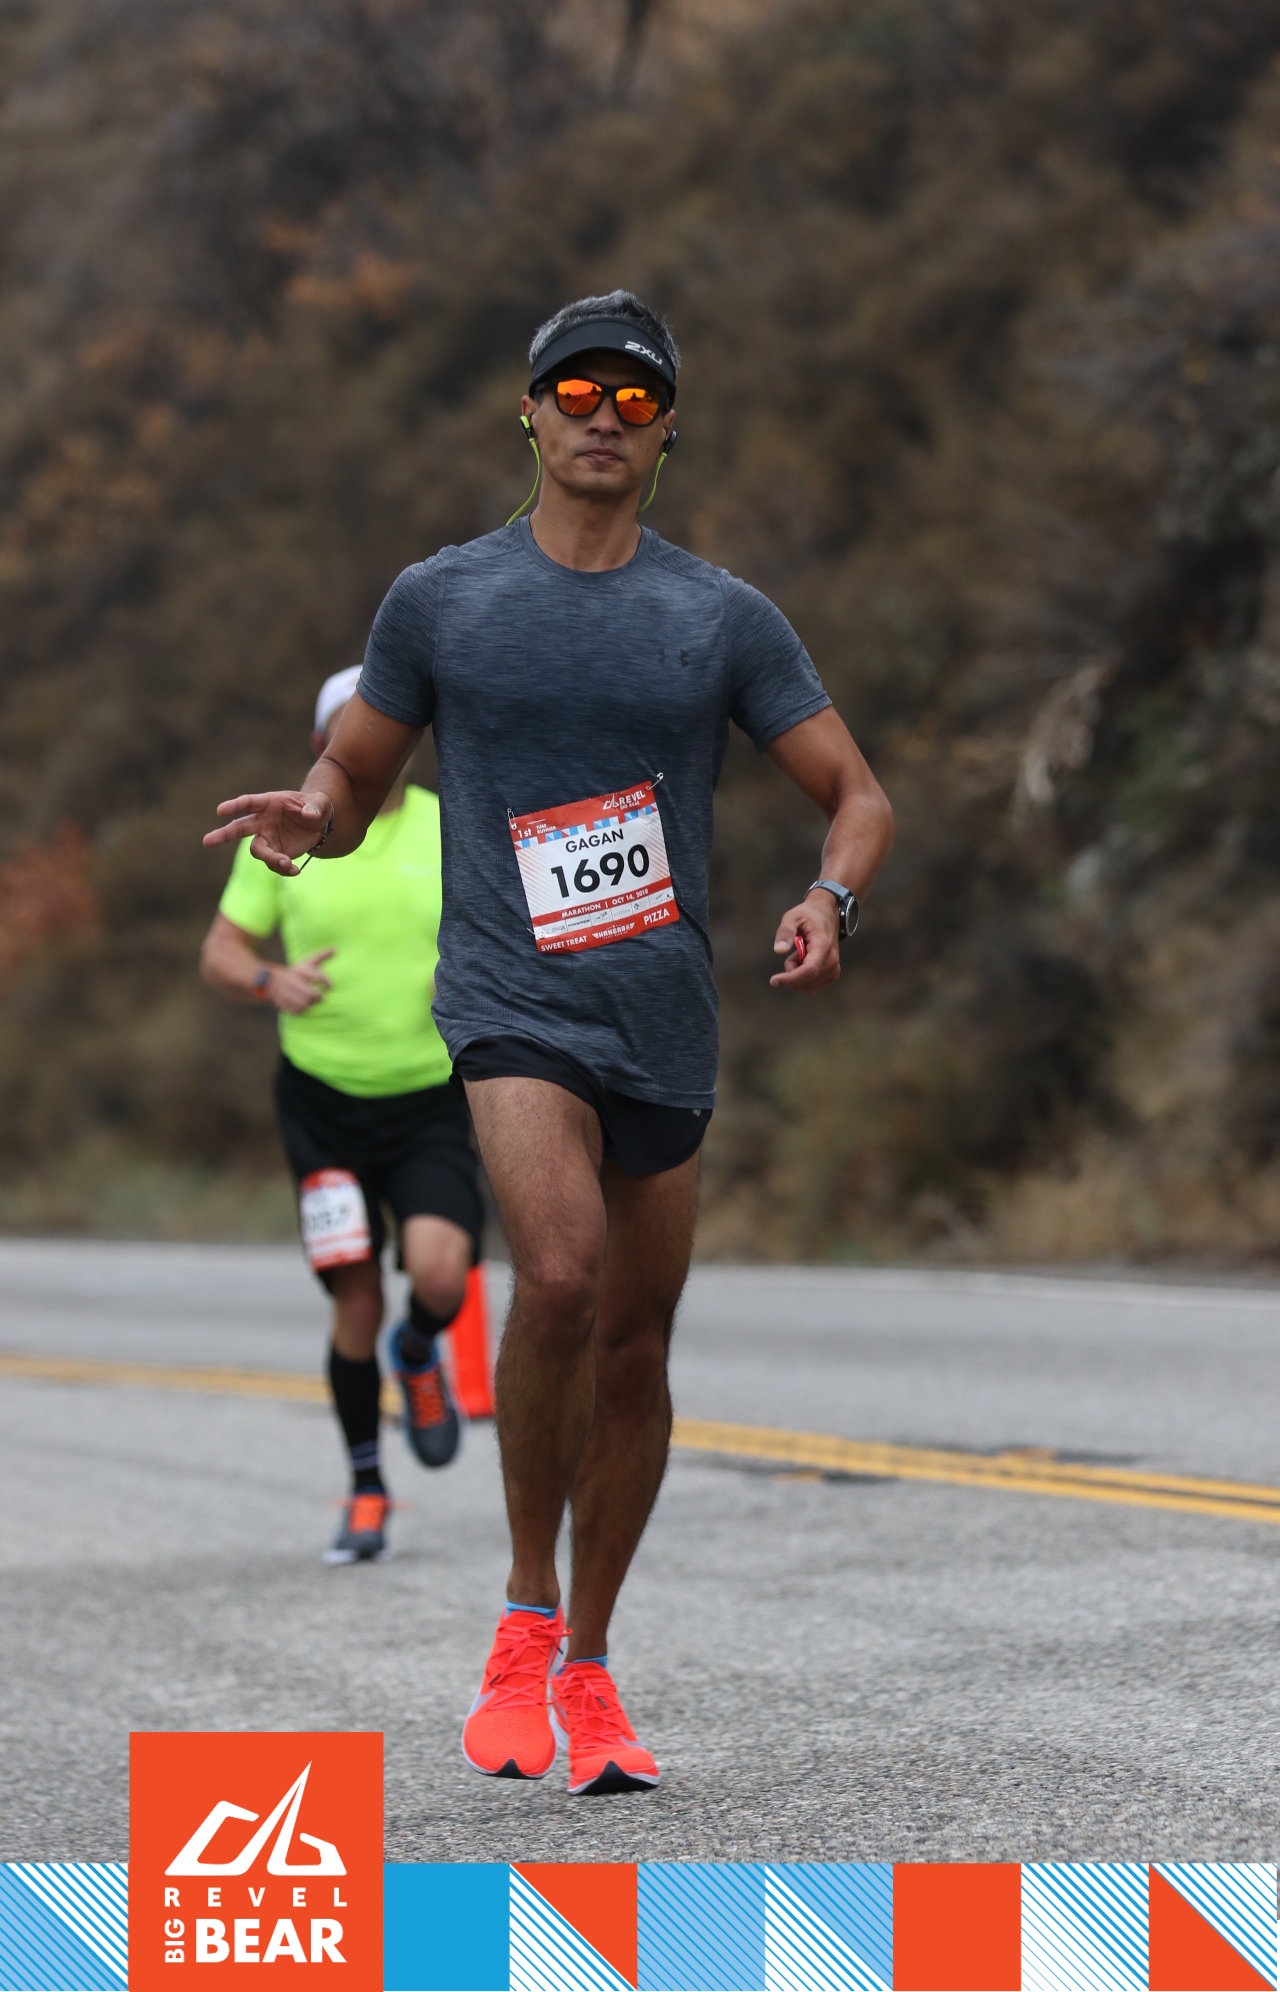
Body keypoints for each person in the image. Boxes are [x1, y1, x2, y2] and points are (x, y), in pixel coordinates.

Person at [204, 290, 894, 1794]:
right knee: (562, 1275)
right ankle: (522, 1617)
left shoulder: (721, 618)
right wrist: (314, 814)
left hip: (663, 1016)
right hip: (510, 1000)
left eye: (634, 400)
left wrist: (827, 897)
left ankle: (588, 1660)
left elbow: (857, 795)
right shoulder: (441, 601)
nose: (602, 417)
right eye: (577, 391)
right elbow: (356, 775)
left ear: (666, 434)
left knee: (636, 1345)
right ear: (527, 412)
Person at [199, 665, 484, 1565]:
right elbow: (220, 949)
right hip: (321, 1103)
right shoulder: (287, 835)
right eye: (347, 732)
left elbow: (504, 922)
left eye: (386, 731)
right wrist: (267, 979)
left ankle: (418, 1351)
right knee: (353, 1298)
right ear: (323, 746)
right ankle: (366, 1491)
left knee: (441, 1274)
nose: (371, 748)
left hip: (429, 1093)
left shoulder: (450, 822)